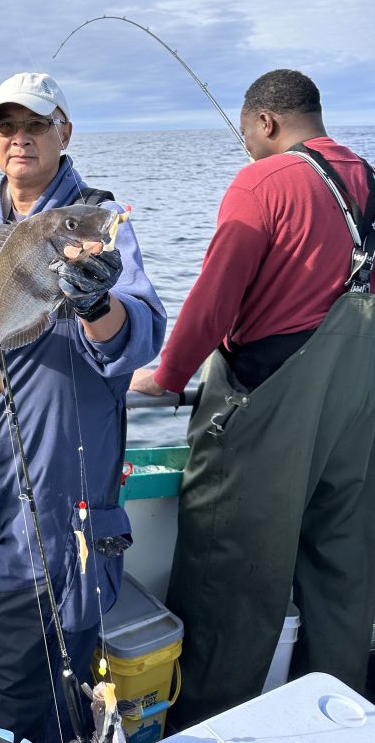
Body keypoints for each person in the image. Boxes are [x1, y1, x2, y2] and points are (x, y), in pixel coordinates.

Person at [0, 72, 166, 743]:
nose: (18, 138)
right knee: (22, 667)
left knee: (26, 694)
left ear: (63, 133)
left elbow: (140, 331)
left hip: (58, 501)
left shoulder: (94, 219)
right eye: (4, 125)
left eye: (35, 125)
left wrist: (96, 302)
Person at [130, 69, 375, 728]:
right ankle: (337, 716)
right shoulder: (369, 181)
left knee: (228, 568)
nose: (246, 149)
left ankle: (209, 723)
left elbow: (215, 297)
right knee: (342, 564)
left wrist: (166, 374)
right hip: (357, 409)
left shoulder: (263, 181)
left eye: (246, 136)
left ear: (266, 122)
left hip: (267, 404)